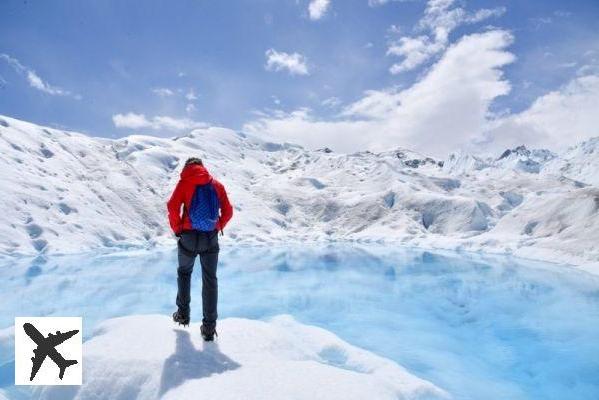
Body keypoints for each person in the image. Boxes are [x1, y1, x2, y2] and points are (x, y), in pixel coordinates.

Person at [167, 157, 233, 341]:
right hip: (210, 238)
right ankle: (209, 328)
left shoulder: (184, 183)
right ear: (203, 167)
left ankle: (183, 314)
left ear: (187, 167)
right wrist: (218, 225)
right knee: (210, 280)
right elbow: (228, 211)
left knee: (184, 272)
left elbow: (172, 207)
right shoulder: (216, 185)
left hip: (188, 236)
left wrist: (177, 228)